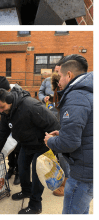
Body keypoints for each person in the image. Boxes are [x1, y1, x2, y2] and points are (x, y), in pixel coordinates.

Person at [0, 84, 60, 214]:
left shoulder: (31, 106)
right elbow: (2, 133)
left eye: (2, 107)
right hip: (26, 144)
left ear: (10, 101)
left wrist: (55, 144)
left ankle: (35, 205)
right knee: (22, 167)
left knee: (37, 174)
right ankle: (26, 190)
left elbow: (53, 124)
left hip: (41, 145)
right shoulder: (6, 113)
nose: (0, 111)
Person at [44, 56, 92, 214]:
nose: (57, 81)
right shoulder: (88, 92)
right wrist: (63, 133)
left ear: (69, 75)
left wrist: (51, 141)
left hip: (82, 173)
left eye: (60, 74)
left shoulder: (75, 96)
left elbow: (70, 143)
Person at [0, 76, 21, 186]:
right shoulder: (1, 97)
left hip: (18, 127)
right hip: (7, 126)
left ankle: (19, 171)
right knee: (9, 148)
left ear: (8, 90)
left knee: (18, 149)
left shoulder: (18, 94)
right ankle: (11, 168)